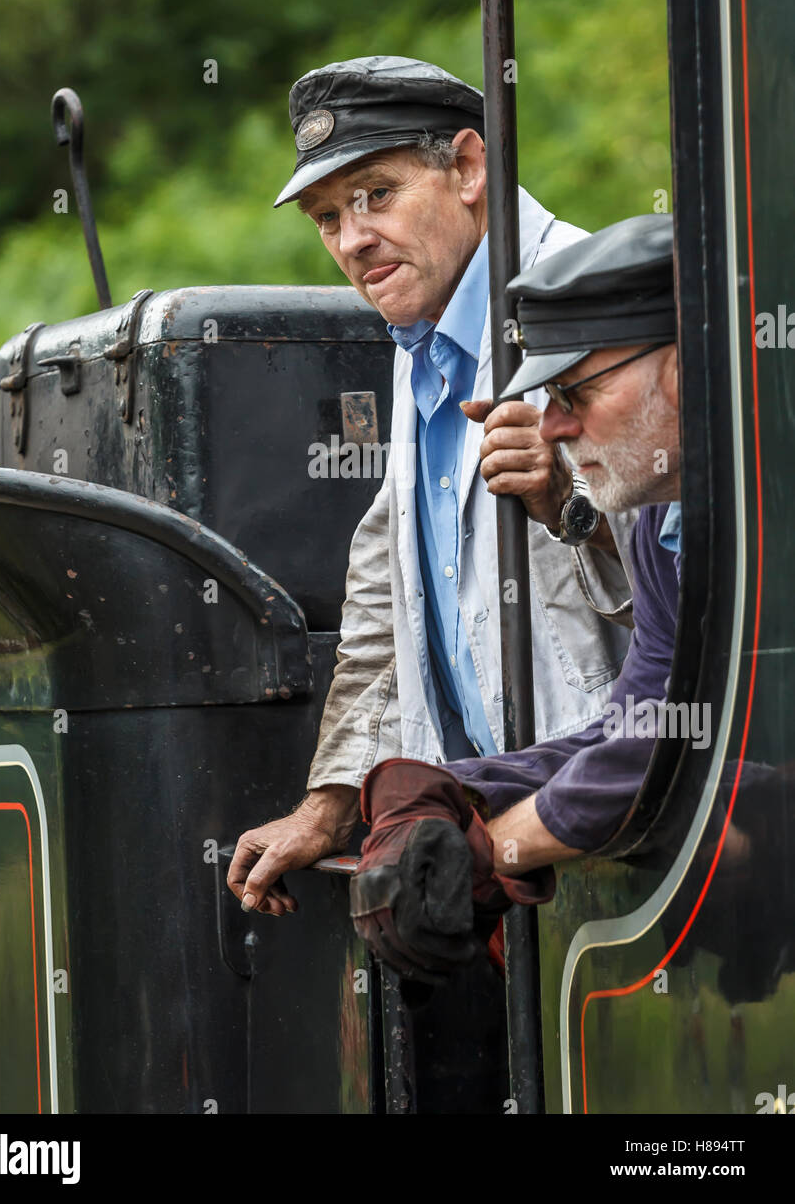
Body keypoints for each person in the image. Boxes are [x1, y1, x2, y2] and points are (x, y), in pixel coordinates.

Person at [228, 55, 637, 918]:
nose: (352, 239)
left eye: (376, 193)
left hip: (614, 851)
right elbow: (390, 606)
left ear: (468, 167)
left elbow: (722, 587)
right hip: (491, 857)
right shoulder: (425, 336)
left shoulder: (600, 310)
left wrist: (570, 506)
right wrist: (330, 807)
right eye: (328, 217)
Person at [348, 211, 694, 978]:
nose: (557, 426)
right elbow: (637, 714)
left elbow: (683, 742)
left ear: (681, 370)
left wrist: (494, 847)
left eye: (578, 391)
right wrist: (450, 788)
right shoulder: (658, 516)